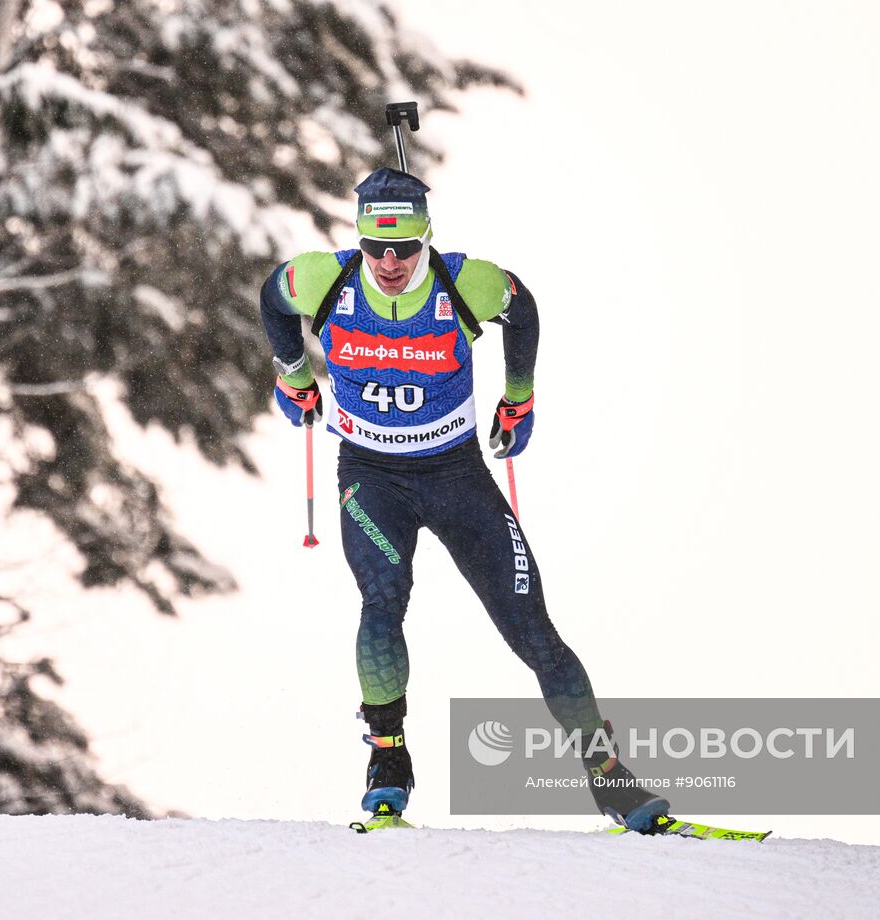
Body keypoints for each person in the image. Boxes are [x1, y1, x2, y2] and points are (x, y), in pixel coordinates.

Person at [258, 168, 668, 832]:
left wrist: (520, 395)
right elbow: (272, 299)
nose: (390, 264)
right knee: (383, 600)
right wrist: (293, 374)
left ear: (426, 237)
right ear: (358, 239)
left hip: (456, 475)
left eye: (405, 249)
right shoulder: (323, 279)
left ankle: (609, 776)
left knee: (531, 627)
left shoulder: (462, 283)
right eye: (376, 248)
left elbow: (522, 306)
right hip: (371, 476)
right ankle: (388, 759)